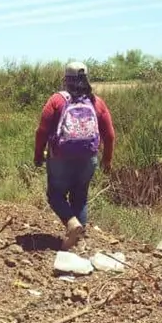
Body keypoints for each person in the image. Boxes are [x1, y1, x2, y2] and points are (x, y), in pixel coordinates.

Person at [34, 62, 116, 251]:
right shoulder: (96, 102)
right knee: (80, 196)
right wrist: (107, 160)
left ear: (65, 80)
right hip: (89, 157)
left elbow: (41, 132)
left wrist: (38, 155)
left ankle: (72, 224)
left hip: (60, 157)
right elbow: (110, 135)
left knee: (55, 195)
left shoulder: (56, 100)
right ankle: (79, 241)